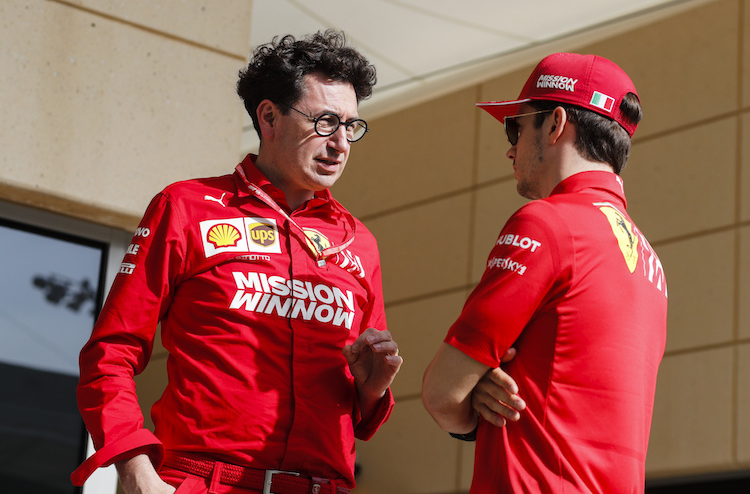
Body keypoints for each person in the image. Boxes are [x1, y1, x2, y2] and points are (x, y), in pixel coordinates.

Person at [71, 29, 402, 494]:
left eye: (351, 127)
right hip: (203, 481)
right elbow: (110, 356)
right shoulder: (186, 206)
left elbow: (361, 416)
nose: (341, 143)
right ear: (268, 117)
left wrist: (370, 388)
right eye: (325, 122)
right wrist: (135, 469)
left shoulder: (359, 240)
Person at [422, 52, 668, 493]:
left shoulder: (546, 222)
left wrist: (472, 399)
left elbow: (443, 393)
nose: (510, 147)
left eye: (516, 126)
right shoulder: (652, 262)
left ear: (555, 124)